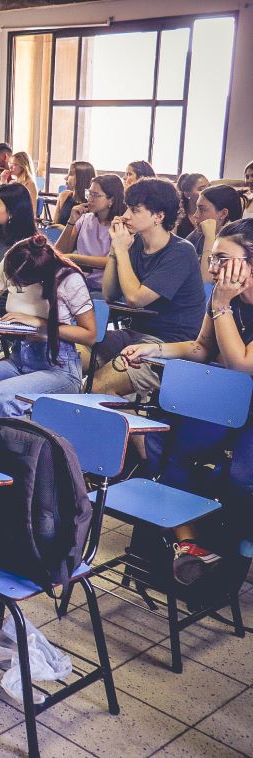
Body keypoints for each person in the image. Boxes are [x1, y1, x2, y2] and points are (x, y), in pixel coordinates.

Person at [120, 219, 253, 582]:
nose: (212, 268)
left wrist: (223, 304)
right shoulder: (223, 299)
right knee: (161, 440)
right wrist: (155, 348)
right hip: (226, 403)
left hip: (244, 406)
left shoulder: (224, 301)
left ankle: (238, 538)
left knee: (241, 476)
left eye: (223, 259)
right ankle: (191, 543)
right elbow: (200, 347)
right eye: (212, 258)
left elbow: (242, 365)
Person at [92, 178, 206, 398]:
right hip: (134, 333)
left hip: (170, 344)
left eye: (134, 210)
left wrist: (122, 250)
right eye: (127, 208)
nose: (125, 215)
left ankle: (136, 432)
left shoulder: (181, 252)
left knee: (97, 386)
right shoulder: (134, 245)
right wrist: (116, 250)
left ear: (159, 216)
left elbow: (135, 298)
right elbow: (109, 293)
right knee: (72, 359)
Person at [0, 234, 97, 418]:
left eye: (19, 284)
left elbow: (89, 335)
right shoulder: (14, 259)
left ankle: (9, 444)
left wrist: (41, 325)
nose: (12, 285)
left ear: (37, 280)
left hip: (59, 366)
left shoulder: (68, 278)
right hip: (19, 357)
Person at [55, 173, 126, 290]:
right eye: (89, 193)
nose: (90, 199)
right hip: (79, 281)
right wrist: (71, 221)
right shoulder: (84, 219)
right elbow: (60, 251)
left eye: (95, 195)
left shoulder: (119, 225)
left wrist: (74, 258)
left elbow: (111, 261)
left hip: (104, 287)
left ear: (111, 200)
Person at [188, 185, 244, 281]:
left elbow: (207, 282)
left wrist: (210, 238)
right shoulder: (198, 234)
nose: (195, 215)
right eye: (197, 208)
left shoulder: (236, 243)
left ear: (223, 214)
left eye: (202, 209)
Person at [55, 161, 95, 227]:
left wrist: (63, 228)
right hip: (59, 236)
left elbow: (88, 233)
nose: (66, 178)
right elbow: (54, 226)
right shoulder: (64, 195)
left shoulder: (92, 203)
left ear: (81, 178)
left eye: (70, 174)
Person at [175, 172, 210, 238]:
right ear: (187, 194)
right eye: (201, 189)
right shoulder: (178, 216)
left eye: (209, 187)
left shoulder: (213, 213)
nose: (207, 191)